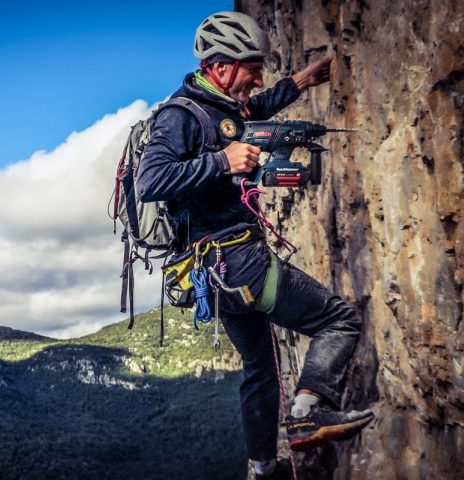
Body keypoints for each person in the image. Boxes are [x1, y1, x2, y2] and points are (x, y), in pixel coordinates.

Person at [136, 11, 374, 480]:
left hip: (216, 277)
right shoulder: (180, 116)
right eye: (251, 67)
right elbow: (151, 180)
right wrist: (221, 163)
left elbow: (253, 111)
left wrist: (299, 82)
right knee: (339, 320)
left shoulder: (221, 108)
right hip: (236, 262)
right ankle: (308, 411)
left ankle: (262, 469)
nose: (258, 77)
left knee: (260, 370)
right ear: (220, 67)